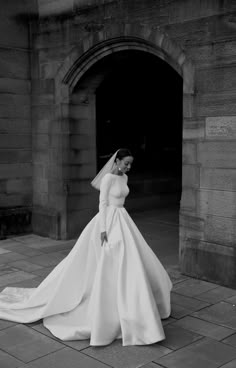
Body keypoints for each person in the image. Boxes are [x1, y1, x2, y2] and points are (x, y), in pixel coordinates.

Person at [0, 148, 172, 346]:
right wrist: (104, 229)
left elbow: (120, 201)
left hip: (123, 220)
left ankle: (134, 303)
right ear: (116, 161)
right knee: (108, 260)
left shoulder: (123, 178)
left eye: (130, 164)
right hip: (107, 222)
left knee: (133, 260)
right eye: (126, 163)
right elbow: (103, 204)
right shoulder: (107, 179)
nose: (128, 167)